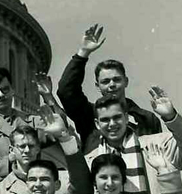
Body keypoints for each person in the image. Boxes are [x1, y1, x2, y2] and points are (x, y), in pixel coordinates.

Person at [57, 23, 164, 151]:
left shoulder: (147, 119)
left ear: (126, 82)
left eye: (116, 80)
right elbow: (66, 91)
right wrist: (83, 53)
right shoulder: (89, 115)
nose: (112, 85)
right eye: (106, 81)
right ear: (98, 86)